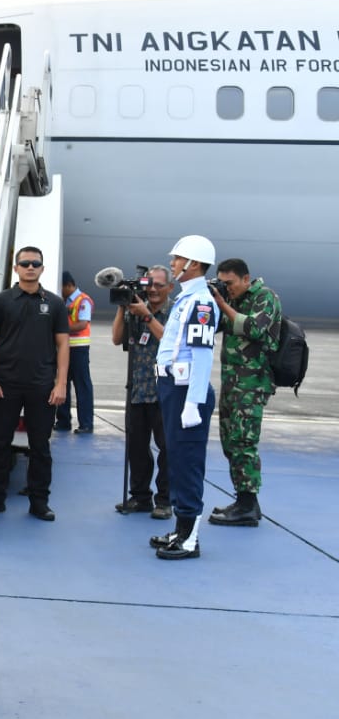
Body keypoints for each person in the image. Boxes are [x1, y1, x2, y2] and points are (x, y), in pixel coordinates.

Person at [0, 247, 69, 521]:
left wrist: (61, 384)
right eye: (25, 263)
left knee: (40, 446)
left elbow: (63, 345)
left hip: (42, 386)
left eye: (35, 263)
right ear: (15, 268)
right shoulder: (1, 301)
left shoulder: (54, 304)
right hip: (5, 385)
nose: (30, 267)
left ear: (42, 268)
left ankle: (39, 502)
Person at [149, 235, 221, 560]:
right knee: (176, 459)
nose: (173, 264)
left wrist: (193, 401)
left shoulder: (201, 302)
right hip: (173, 388)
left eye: (178, 259)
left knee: (187, 461)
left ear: (193, 264)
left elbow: (202, 355)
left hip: (186, 391)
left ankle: (189, 538)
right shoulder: (186, 299)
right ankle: (181, 528)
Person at [208, 258, 282, 527]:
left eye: (230, 283)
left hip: (251, 385)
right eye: (222, 284)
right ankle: (244, 500)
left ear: (246, 279)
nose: (227, 289)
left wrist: (222, 304)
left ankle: (248, 504)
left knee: (244, 442)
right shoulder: (231, 300)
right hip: (232, 383)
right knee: (230, 442)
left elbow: (254, 328)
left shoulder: (265, 297)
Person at [110, 265, 174, 519]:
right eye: (150, 284)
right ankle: (139, 497)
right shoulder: (135, 310)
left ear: (170, 287)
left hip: (164, 390)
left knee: (167, 449)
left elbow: (170, 340)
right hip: (137, 387)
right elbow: (117, 338)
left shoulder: (175, 312)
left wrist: (147, 316)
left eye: (159, 285)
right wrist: (123, 307)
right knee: (136, 447)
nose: (153, 290)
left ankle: (165, 500)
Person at [56, 271, 95, 433]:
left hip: (79, 349)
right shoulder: (63, 301)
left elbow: (82, 324)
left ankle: (86, 424)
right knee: (62, 384)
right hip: (64, 349)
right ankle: (63, 421)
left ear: (68, 285)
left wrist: (59, 330)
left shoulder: (83, 300)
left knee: (82, 386)